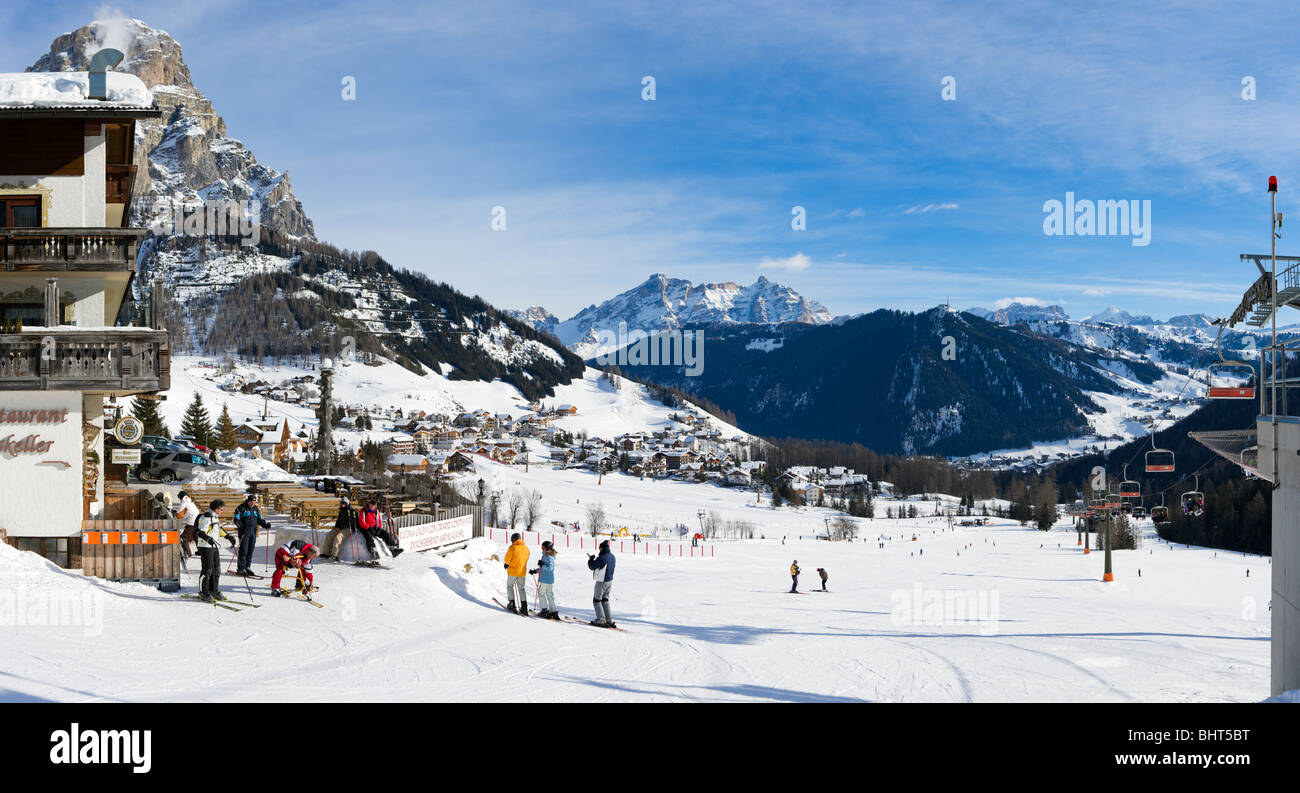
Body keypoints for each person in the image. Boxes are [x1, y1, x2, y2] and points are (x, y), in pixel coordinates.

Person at [193, 499, 234, 602]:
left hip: (214, 546)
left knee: (216, 570)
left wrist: (228, 536)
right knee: (207, 570)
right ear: (216, 509)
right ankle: (204, 593)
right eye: (221, 509)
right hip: (206, 546)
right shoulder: (206, 517)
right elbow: (200, 532)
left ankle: (213, 590)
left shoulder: (215, 518)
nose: (222, 511)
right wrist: (208, 539)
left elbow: (218, 529)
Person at [231, 494, 271, 576]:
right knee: (244, 550)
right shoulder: (241, 508)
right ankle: (241, 569)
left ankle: (247, 567)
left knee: (250, 550)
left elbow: (260, 519)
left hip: (253, 531)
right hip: (244, 532)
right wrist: (241, 528)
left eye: (254, 502)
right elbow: (236, 519)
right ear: (248, 501)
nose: (252, 503)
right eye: (251, 502)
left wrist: (265, 525)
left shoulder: (256, 509)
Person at [586, 540, 616, 627]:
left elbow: (592, 566)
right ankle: (608, 619)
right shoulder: (612, 556)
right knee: (605, 600)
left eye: (599, 549)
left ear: (602, 548)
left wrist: (591, 559)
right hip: (609, 581)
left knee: (597, 600)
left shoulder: (602, 557)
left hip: (602, 581)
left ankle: (601, 619)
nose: (599, 550)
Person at [530, 540, 559, 620]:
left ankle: (544, 610)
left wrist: (542, 565)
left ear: (547, 548)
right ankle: (553, 611)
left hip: (545, 579)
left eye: (543, 547)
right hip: (548, 579)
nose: (542, 549)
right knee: (549, 595)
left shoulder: (548, 556)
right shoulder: (548, 555)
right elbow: (543, 567)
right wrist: (535, 571)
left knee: (541, 594)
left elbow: (550, 568)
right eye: (541, 547)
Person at [503, 533, 530, 615]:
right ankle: (524, 607)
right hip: (522, 572)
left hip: (513, 572)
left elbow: (507, 559)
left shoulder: (512, 547)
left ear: (513, 539)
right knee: (521, 588)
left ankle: (512, 604)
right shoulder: (526, 548)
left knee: (509, 586)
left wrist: (507, 564)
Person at [174, 490, 200, 558]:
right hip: (197, 521)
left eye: (179, 498)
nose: (179, 500)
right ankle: (200, 551)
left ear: (181, 497)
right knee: (195, 536)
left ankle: (188, 553)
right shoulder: (188, 500)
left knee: (184, 537)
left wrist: (175, 513)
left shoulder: (184, 502)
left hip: (192, 522)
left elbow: (179, 514)